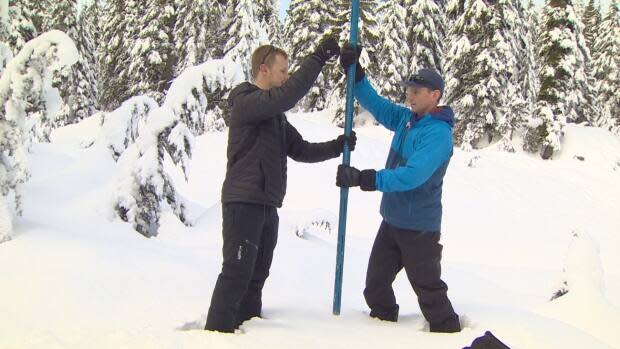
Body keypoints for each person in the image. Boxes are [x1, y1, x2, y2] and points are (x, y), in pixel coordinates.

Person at [205, 37, 357, 333]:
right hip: (243, 202)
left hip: (266, 205)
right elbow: (287, 96)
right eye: (283, 71)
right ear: (264, 70)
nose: (287, 77)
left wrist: (337, 147)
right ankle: (216, 335)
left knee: (257, 275)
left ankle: (248, 330)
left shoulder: (274, 117)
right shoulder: (247, 103)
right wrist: (317, 58)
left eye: (288, 72)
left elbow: (301, 150)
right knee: (237, 273)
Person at [336, 43, 460, 333]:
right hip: (392, 221)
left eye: (417, 92)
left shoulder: (438, 134)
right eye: (409, 90)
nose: (410, 95)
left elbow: (412, 176)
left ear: (435, 95)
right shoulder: (407, 120)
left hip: (419, 228)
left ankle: (449, 334)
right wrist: (357, 78)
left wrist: (367, 179)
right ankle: (383, 333)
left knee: (429, 292)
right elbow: (378, 106)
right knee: (376, 286)